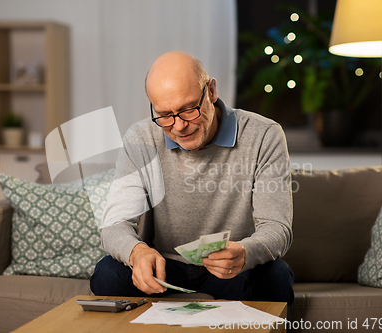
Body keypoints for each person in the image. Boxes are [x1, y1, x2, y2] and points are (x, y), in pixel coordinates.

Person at [90, 51, 294, 306]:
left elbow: (277, 228)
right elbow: (114, 224)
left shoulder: (265, 135)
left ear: (211, 91)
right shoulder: (141, 137)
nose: (178, 126)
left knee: (275, 276)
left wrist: (244, 253)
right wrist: (138, 252)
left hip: (232, 269)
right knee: (107, 273)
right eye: (165, 115)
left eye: (188, 110)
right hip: (164, 268)